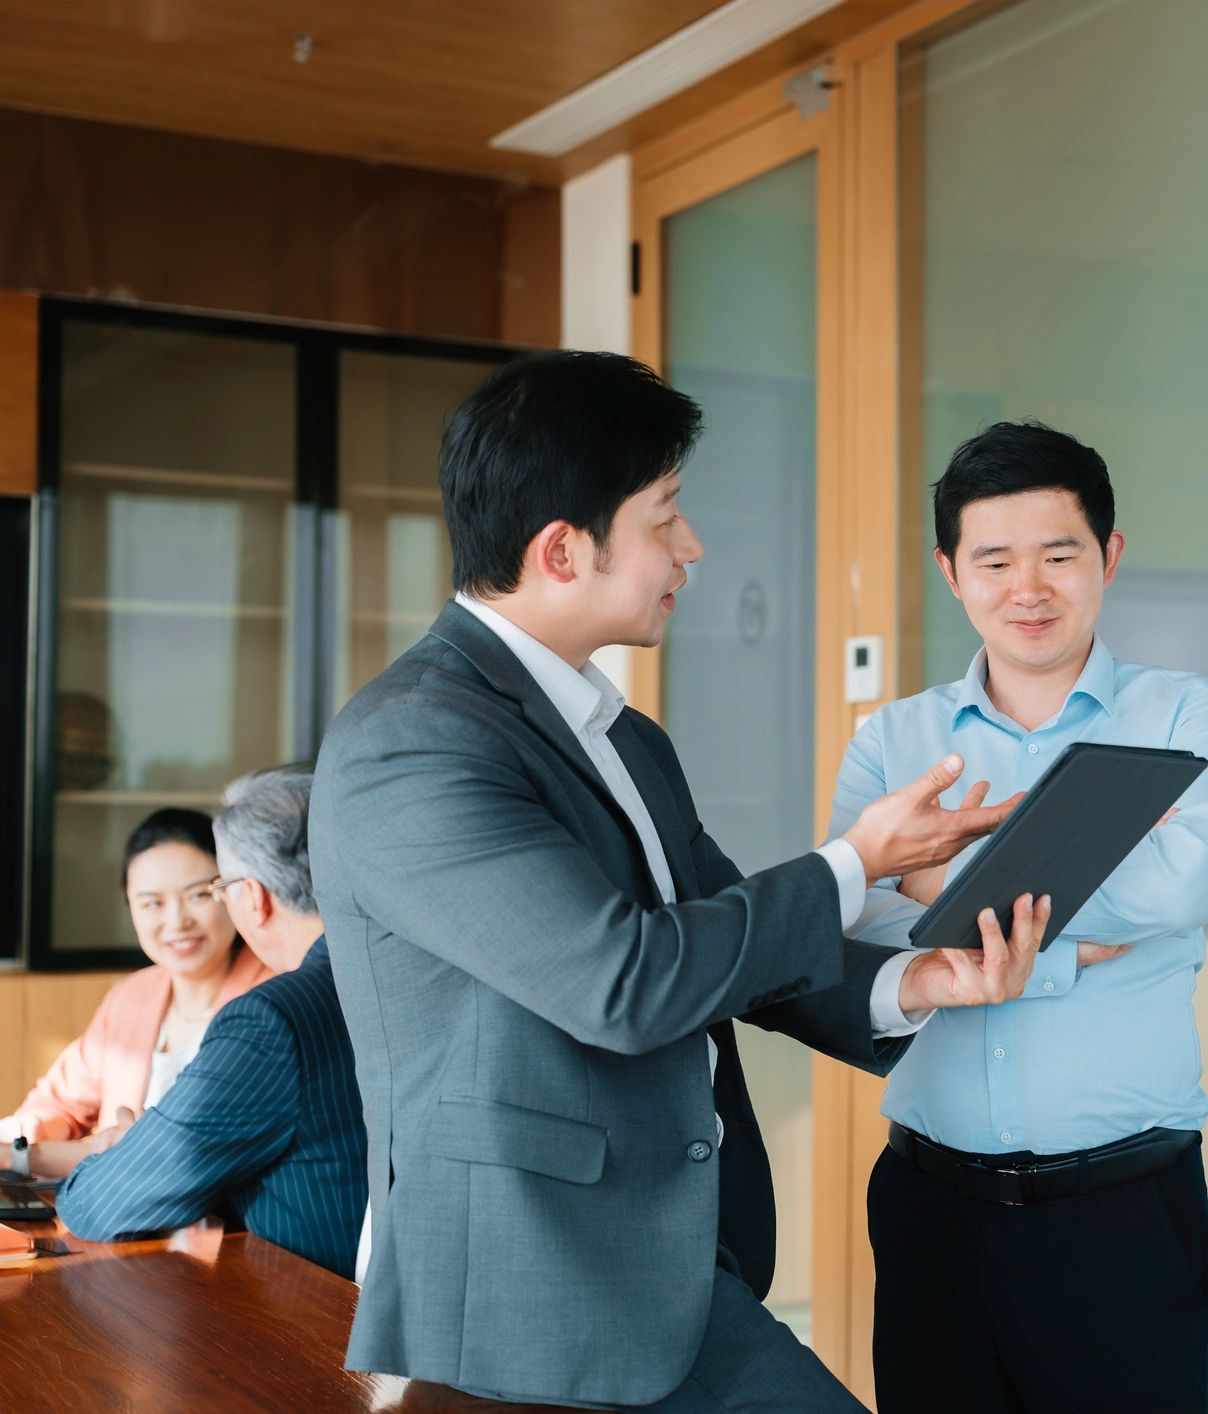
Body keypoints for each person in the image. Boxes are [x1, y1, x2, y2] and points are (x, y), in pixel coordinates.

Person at [311, 351, 1051, 1411]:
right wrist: (857, 861)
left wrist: (915, 983)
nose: (690, 547)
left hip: (662, 1271)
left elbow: (720, 945)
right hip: (528, 1297)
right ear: (562, 549)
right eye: (664, 517)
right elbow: (626, 982)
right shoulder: (415, 743)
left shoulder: (623, 735)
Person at [829, 420, 1208, 1413]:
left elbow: (1172, 892)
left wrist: (941, 880)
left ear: (1106, 555)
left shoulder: (1190, 717)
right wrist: (1071, 939)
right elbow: (856, 925)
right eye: (995, 559)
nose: (1029, 587)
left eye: (1059, 555)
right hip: (932, 1212)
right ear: (950, 571)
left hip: (1120, 1213)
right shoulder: (893, 739)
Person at [54, 765, 366, 1277]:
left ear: (255, 897)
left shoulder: (269, 1019)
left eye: (214, 889)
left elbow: (97, 1207)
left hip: (308, 1322)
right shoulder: (391, 977)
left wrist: (125, 1152)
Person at [2, 808, 270, 1174]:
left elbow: (183, 1150)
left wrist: (23, 1157)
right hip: (126, 1221)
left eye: (197, 895)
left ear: (232, 890)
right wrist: (19, 1136)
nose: (177, 922)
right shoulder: (132, 996)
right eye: (152, 903)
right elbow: (60, 1102)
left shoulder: (272, 993)